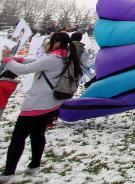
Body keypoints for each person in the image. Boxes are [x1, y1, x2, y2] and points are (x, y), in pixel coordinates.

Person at [1, 32, 83, 181]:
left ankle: (8, 173)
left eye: (49, 41)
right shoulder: (65, 57)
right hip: (52, 105)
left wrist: (6, 58)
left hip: (36, 105)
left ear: (57, 43)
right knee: (38, 134)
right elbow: (36, 61)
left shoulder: (52, 59)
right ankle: (34, 165)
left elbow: (22, 70)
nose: (46, 44)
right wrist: (17, 58)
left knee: (18, 138)